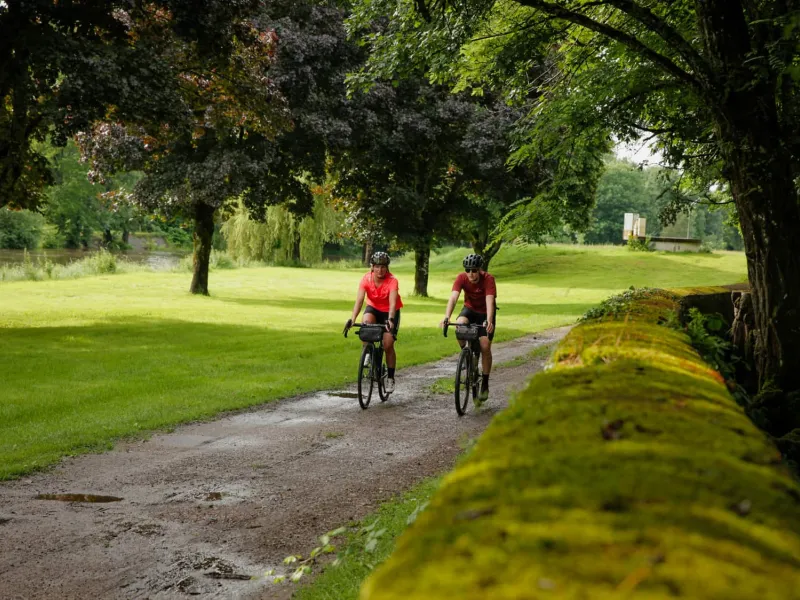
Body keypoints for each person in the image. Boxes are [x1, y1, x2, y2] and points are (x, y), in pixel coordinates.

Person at [439, 253, 496, 403]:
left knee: (485, 346)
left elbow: (490, 301)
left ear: (479, 269)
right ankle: (466, 353)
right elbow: (453, 297)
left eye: (474, 270)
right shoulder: (461, 278)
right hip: (469, 310)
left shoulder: (488, 279)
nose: (471, 273)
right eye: (468, 270)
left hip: (485, 313)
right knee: (459, 327)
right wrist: (447, 317)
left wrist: (489, 320)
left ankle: (484, 381)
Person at [344, 251, 403, 393]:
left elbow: (393, 303)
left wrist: (390, 320)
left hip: (390, 311)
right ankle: (369, 354)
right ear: (372, 267)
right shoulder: (366, 279)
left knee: (388, 344)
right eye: (377, 266)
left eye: (383, 267)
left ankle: (390, 377)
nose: (380, 270)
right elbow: (359, 301)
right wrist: (353, 319)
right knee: (366, 327)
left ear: (387, 268)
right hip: (373, 308)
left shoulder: (392, 281)